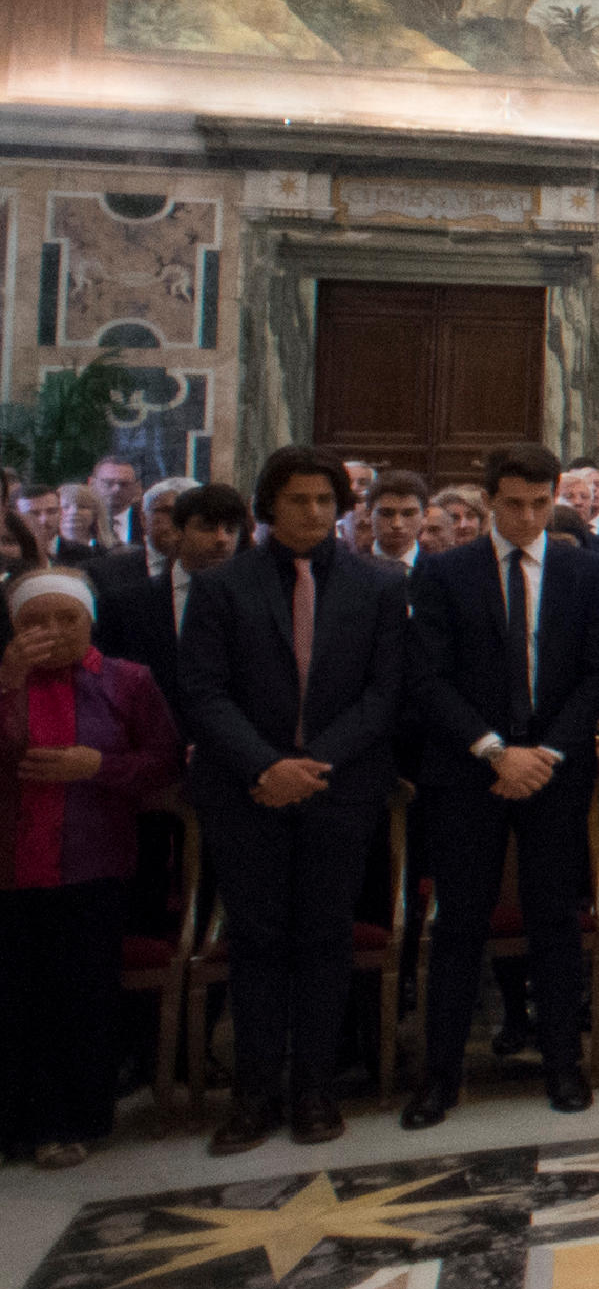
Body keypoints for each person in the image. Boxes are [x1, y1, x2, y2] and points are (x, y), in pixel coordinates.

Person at [180, 448, 406, 1152]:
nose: (313, 512)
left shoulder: (378, 584)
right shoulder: (222, 587)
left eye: (324, 501)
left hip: (339, 789)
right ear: (268, 506)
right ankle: (254, 1095)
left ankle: (314, 1089)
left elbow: (384, 693)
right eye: (298, 500)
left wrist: (313, 764)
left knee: (324, 938)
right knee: (256, 940)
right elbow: (203, 692)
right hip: (245, 790)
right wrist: (266, 765)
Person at [404, 442, 599, 1129]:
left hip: (555, 771)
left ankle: (563, 1064)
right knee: (460, 923)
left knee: (554, 919)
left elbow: (598, 672)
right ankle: (441, 1076)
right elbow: (428, 677)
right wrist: (496, 751)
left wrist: (548, 753)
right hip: (471, 771)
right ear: (490, 500)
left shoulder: (585, 571)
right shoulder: (447, 572)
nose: (527, 517)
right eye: (514, 504)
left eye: (539, 503)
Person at [0, 567, 182, 1168]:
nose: (51, 631)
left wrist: (99, 766)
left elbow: (163, 762)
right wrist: (8, 684)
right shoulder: (5, 677)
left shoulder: (128, 681)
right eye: (35, 621)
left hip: (92, 862)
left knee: (78, 996)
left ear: (91, 621)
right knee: (13, 995)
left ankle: (67, 1123)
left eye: (67, 618)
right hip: (9, 863)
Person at [97, 478, 244, 726]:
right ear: (178, 531)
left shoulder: (253, 599)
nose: (222, 539)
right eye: (207, 528)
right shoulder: (125, 605)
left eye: (231, 529)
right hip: (150, 735)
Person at [361, 467, 429, 568]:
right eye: (386, 514)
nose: (397, 524)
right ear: (368, 515)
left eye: (408, 514)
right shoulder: (346, 569)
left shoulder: (441, 570)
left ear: (424, 516)